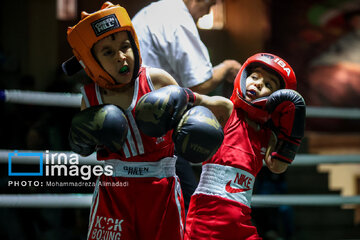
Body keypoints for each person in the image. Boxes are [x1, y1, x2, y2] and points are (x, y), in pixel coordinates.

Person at [64, 2, 228, 239]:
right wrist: (80, 139)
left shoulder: (156, 80)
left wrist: (217, 108)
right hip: (114, 192)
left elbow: (205, 103)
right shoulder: (90, 98)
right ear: (92, 60)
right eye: (108, 52)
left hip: (160, 189)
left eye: (125, 46)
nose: (121, 57)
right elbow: (83, 145)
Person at [132, 0, 242, 213]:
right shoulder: (177, 17)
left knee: (153, 208)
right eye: (208, 5)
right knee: (189, 207)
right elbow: (198, 82)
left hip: (137, 126)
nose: (208, 12)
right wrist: (228, 67)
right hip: (158, 129)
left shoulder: (154, 11)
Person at [184, 53, 306, 240]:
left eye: (268, 85)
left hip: (241, 219)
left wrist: (291, 135)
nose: (257, 84)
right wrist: (173, 94)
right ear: (243, 76)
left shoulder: (267, 135)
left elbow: (278, 166)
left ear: (278, 98)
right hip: (207, 216)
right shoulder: (227, 110)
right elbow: (196, 99)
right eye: (255, 77)